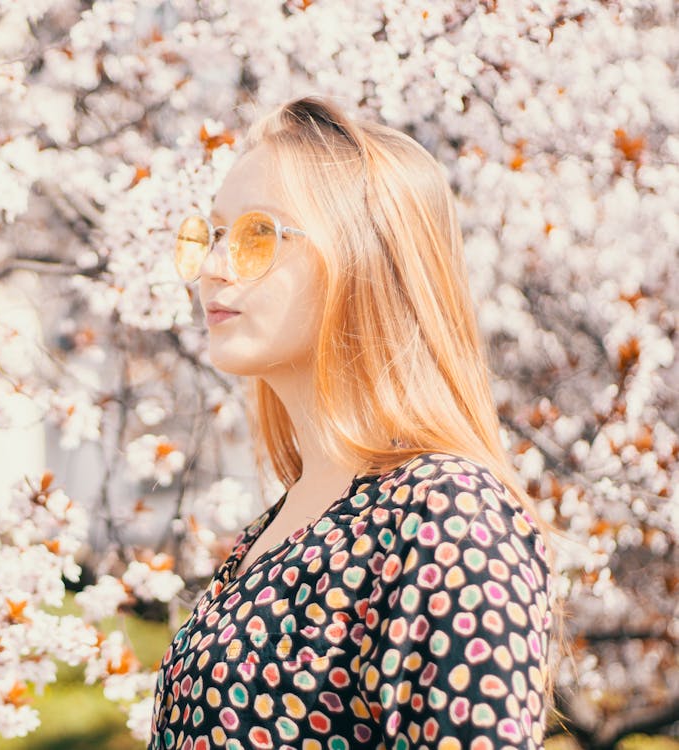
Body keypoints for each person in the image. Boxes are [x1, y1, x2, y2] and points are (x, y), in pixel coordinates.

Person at [150, 96, 558, 750]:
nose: (211, 268)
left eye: (258, 234)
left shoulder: (446, 515)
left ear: (363, 256)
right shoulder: (272, 529)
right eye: (213, 234)